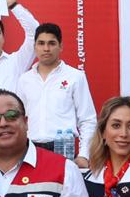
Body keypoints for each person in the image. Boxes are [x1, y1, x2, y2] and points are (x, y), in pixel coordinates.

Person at [16, 23, 96, 167]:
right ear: (35, 47)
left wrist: (84, 155)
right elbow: (18, 119)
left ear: (61, 46)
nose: (46, 48)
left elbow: (88, 120)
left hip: (63, 147)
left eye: (51, 43)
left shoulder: (75, 77)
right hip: (30, 149)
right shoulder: (24, 79)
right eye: (41, 43)